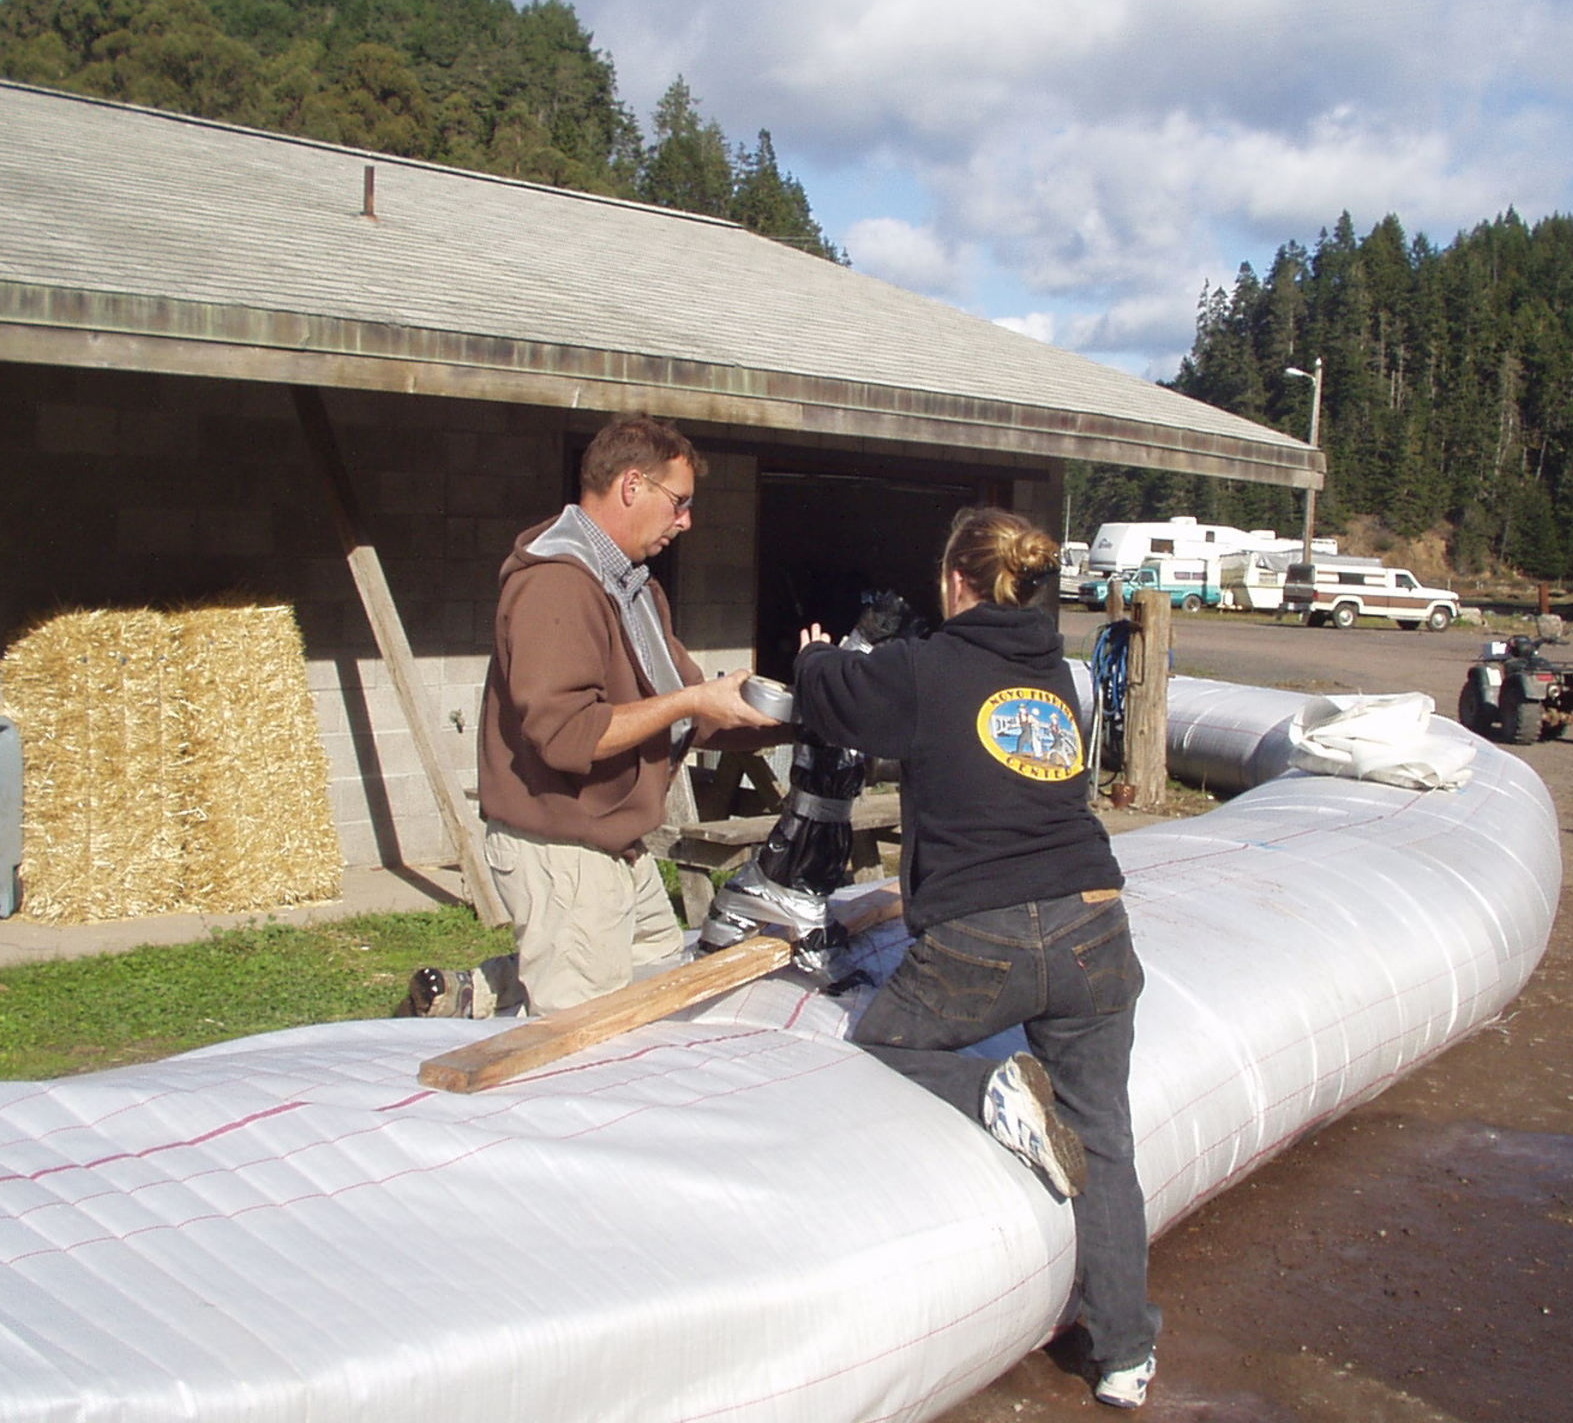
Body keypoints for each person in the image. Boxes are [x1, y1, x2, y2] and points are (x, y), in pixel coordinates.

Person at [792, 506, 1162, 1410]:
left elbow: (834, 694)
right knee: (1105, 1138)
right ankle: (1125, 1355)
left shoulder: (923, 669)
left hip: (983, 937)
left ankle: (990, 1093)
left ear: (955, 582)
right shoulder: (1057, 677)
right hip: (1093, 923)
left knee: (885, 1039)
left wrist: (811, 653)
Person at [472, 413, 787, 1015]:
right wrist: (697, 699)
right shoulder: (557, 586)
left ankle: (482, 992)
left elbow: (685, 707)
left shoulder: (631, 586)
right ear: (632, 486)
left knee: (658, 997)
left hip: (616, 847)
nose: (685, 521)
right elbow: (569, 734)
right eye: (679, 502)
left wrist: (803, 713)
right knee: (581, 1042)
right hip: (564, 851)